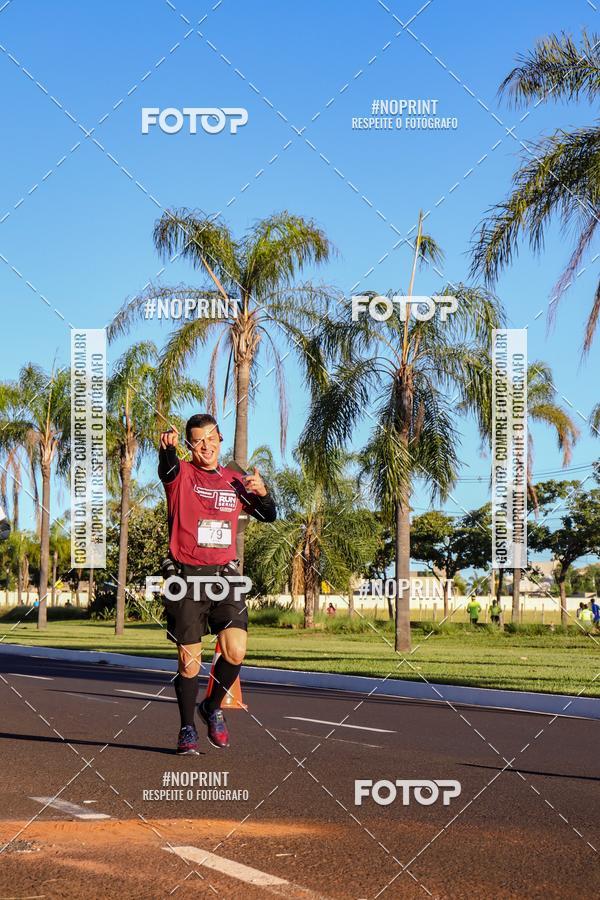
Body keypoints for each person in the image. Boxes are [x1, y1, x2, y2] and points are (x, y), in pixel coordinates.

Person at [158, 414, 277, 755]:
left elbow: (268, 515)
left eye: (211, 438)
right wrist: (166, 451)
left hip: (224, 577)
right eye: (198, 440)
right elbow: (167, 469)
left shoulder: (234, 481)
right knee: (189, 663)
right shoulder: (180, 474)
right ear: (190, 445)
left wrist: (264, 494)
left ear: (220, 440)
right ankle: (186, 728)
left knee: (237, 649)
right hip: (186, 577)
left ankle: (211, 706)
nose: (206, 445)